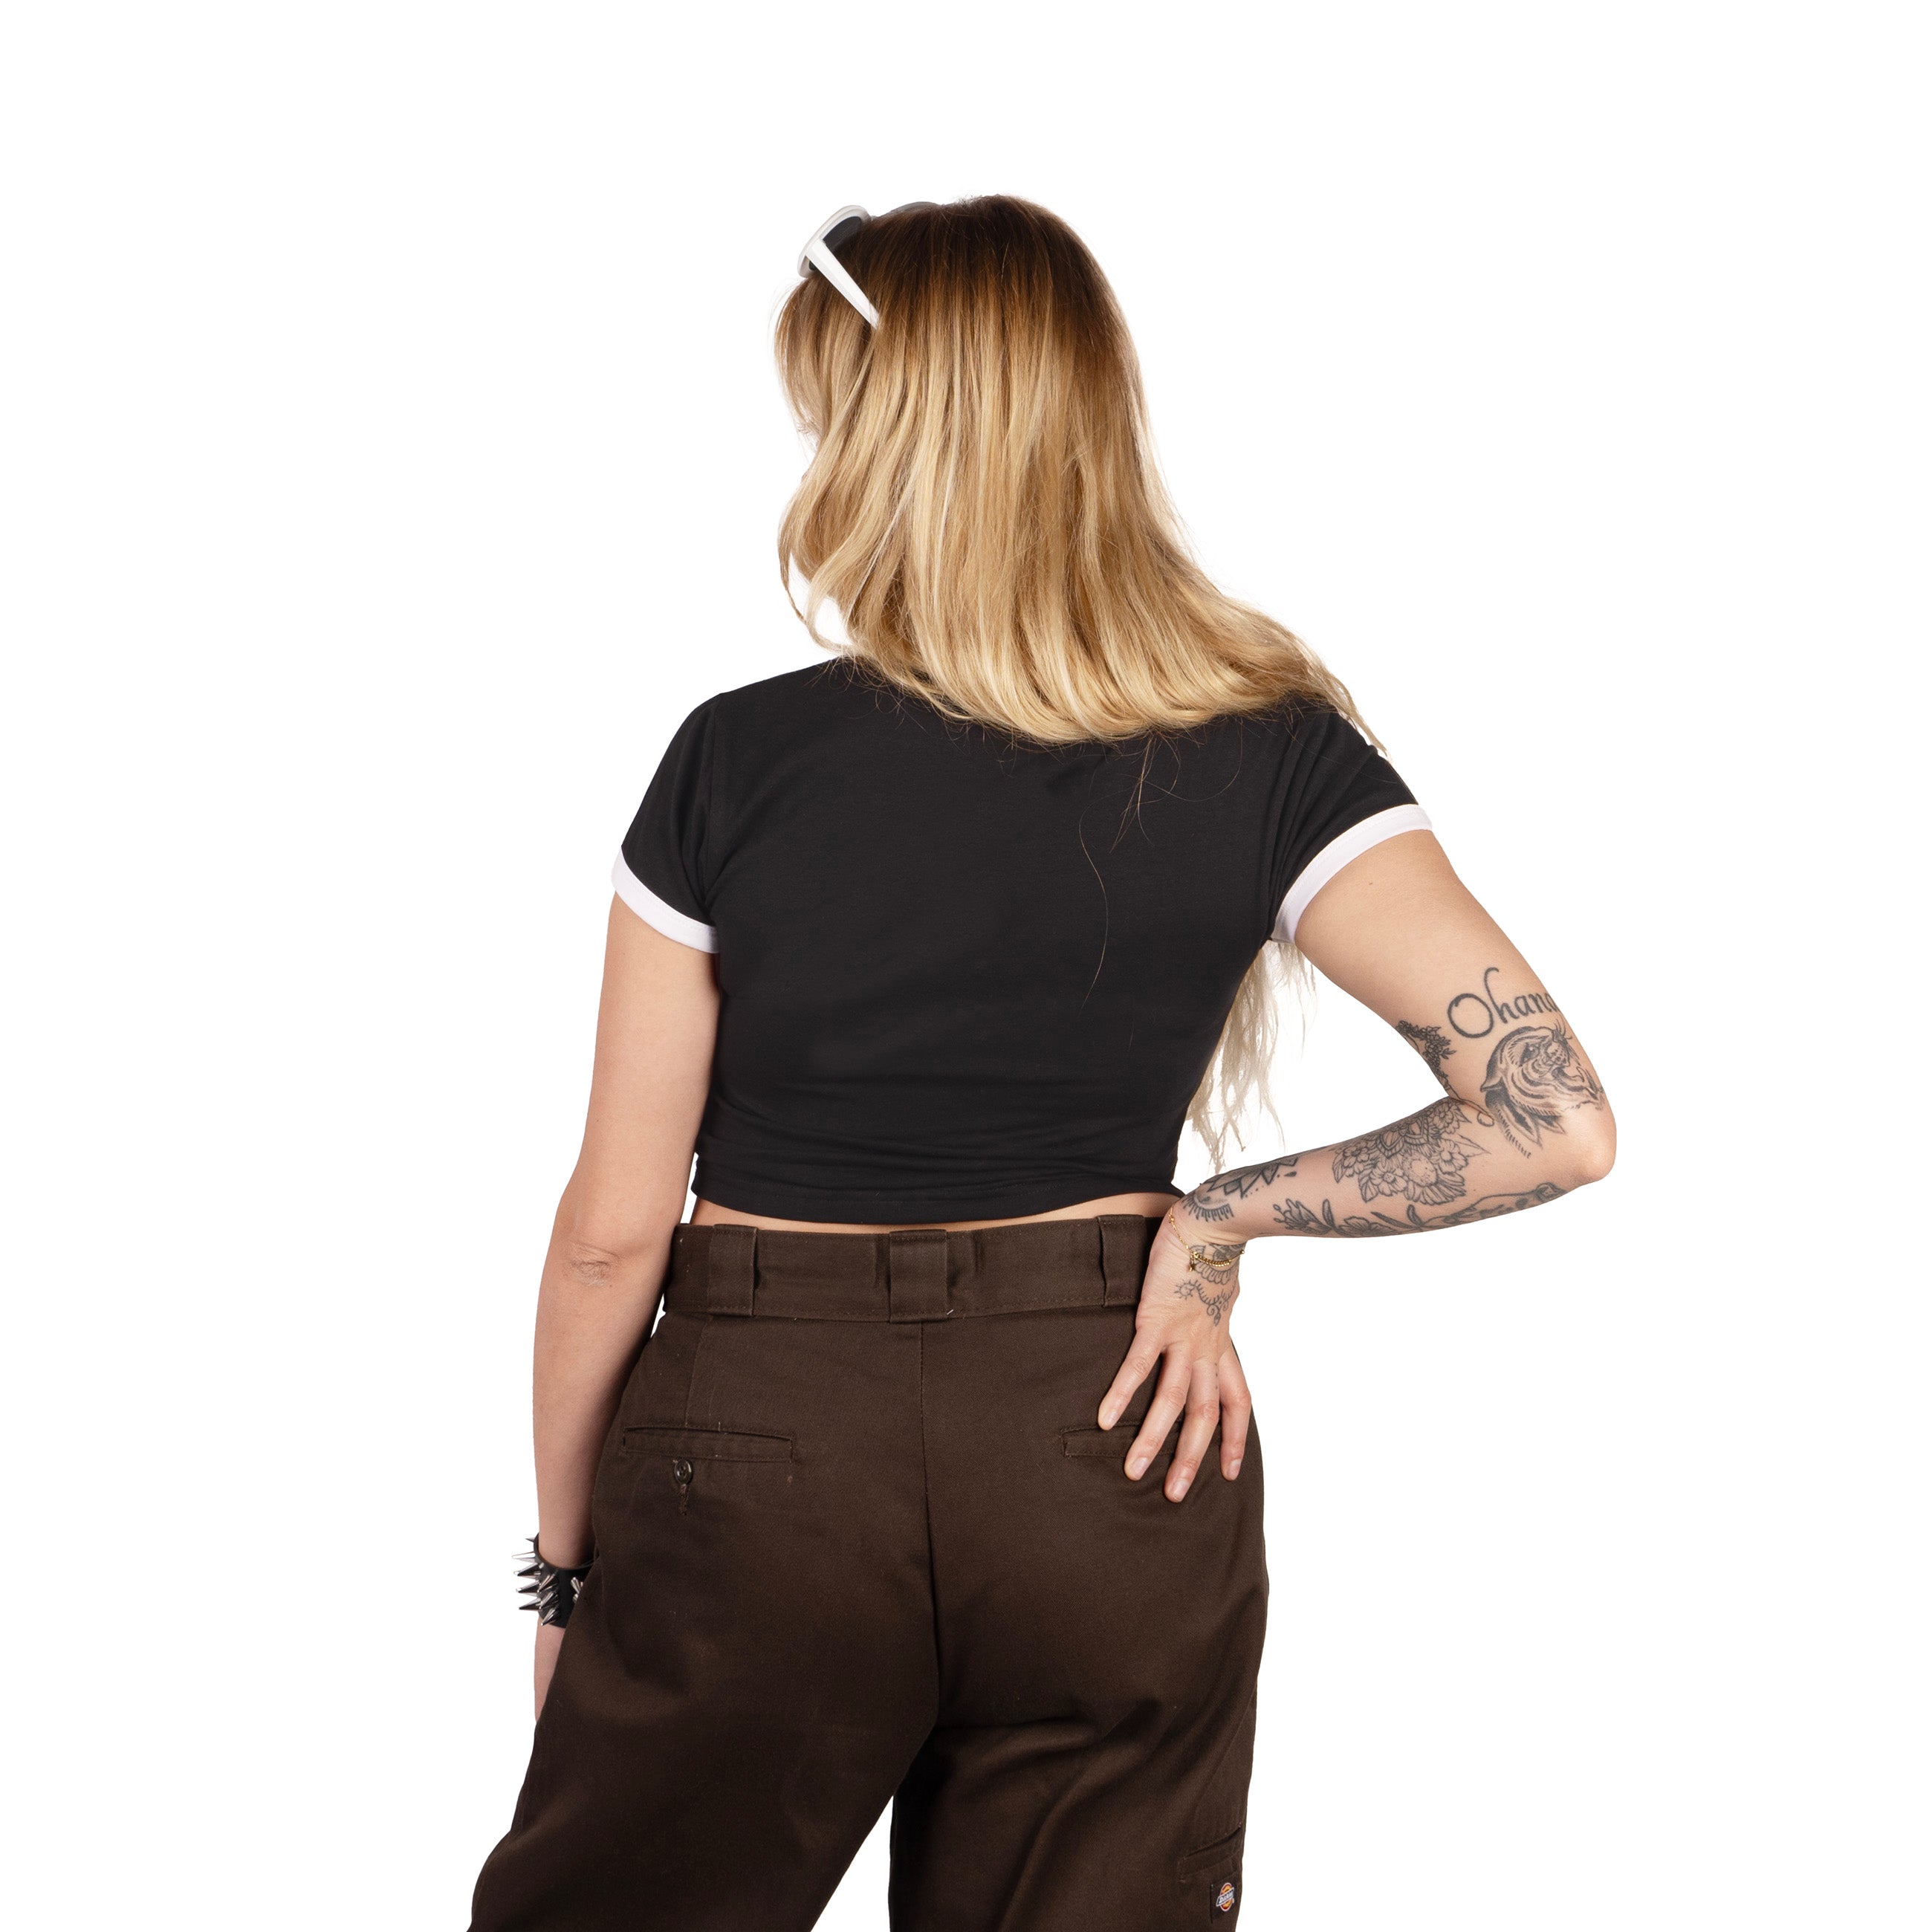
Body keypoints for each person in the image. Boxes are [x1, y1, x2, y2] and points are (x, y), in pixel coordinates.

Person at [467, 195, 1615, 1932]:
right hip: (1110, 1433)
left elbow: (611, 1236)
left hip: (761, 1451)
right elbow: (1555, 1118)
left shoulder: (735, 765)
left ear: (880, 445)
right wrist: (1218, 1216)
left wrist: (566, 1580)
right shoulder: (1270, 749)